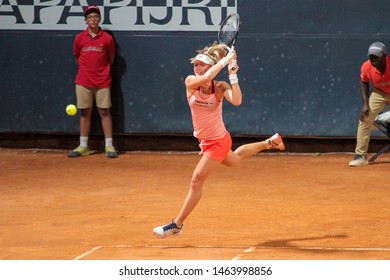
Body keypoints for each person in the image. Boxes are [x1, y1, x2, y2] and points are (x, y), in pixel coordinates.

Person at [153, 43, 285, 238]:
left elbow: (238, 100)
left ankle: (177, 224)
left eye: (201, 65)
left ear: (210, 66)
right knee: (235, 159)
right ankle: (270, 143)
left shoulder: (220, 87)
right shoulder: (191, 82)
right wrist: (226, 59)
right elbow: (206, 78)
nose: (197, 69)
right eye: (195, 65)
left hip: (218, 142)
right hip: (206, 142)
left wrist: (233, 74)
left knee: (196, 180)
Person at [68, 5, 118, 158]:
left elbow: (111, 59)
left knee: (104, 111)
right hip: (83, 81)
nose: (93, 19)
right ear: (86, 20)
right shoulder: (79, 38)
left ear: (99, 19)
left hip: (103, 81)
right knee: (85, 112)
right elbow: (77, 56)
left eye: (95, 16)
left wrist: (100, 71)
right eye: (90, 17)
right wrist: (86, 70)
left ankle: (109, 145)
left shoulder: (107, 39)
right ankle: (83, 146)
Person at [349, 41, 390, 167]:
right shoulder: (366, 66)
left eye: (376, 57)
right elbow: (364, 82)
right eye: (371, 57)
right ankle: (361, 156)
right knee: (365, 119)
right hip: (380, 92)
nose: (373, 60)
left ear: (384, 56)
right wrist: (365, 104)